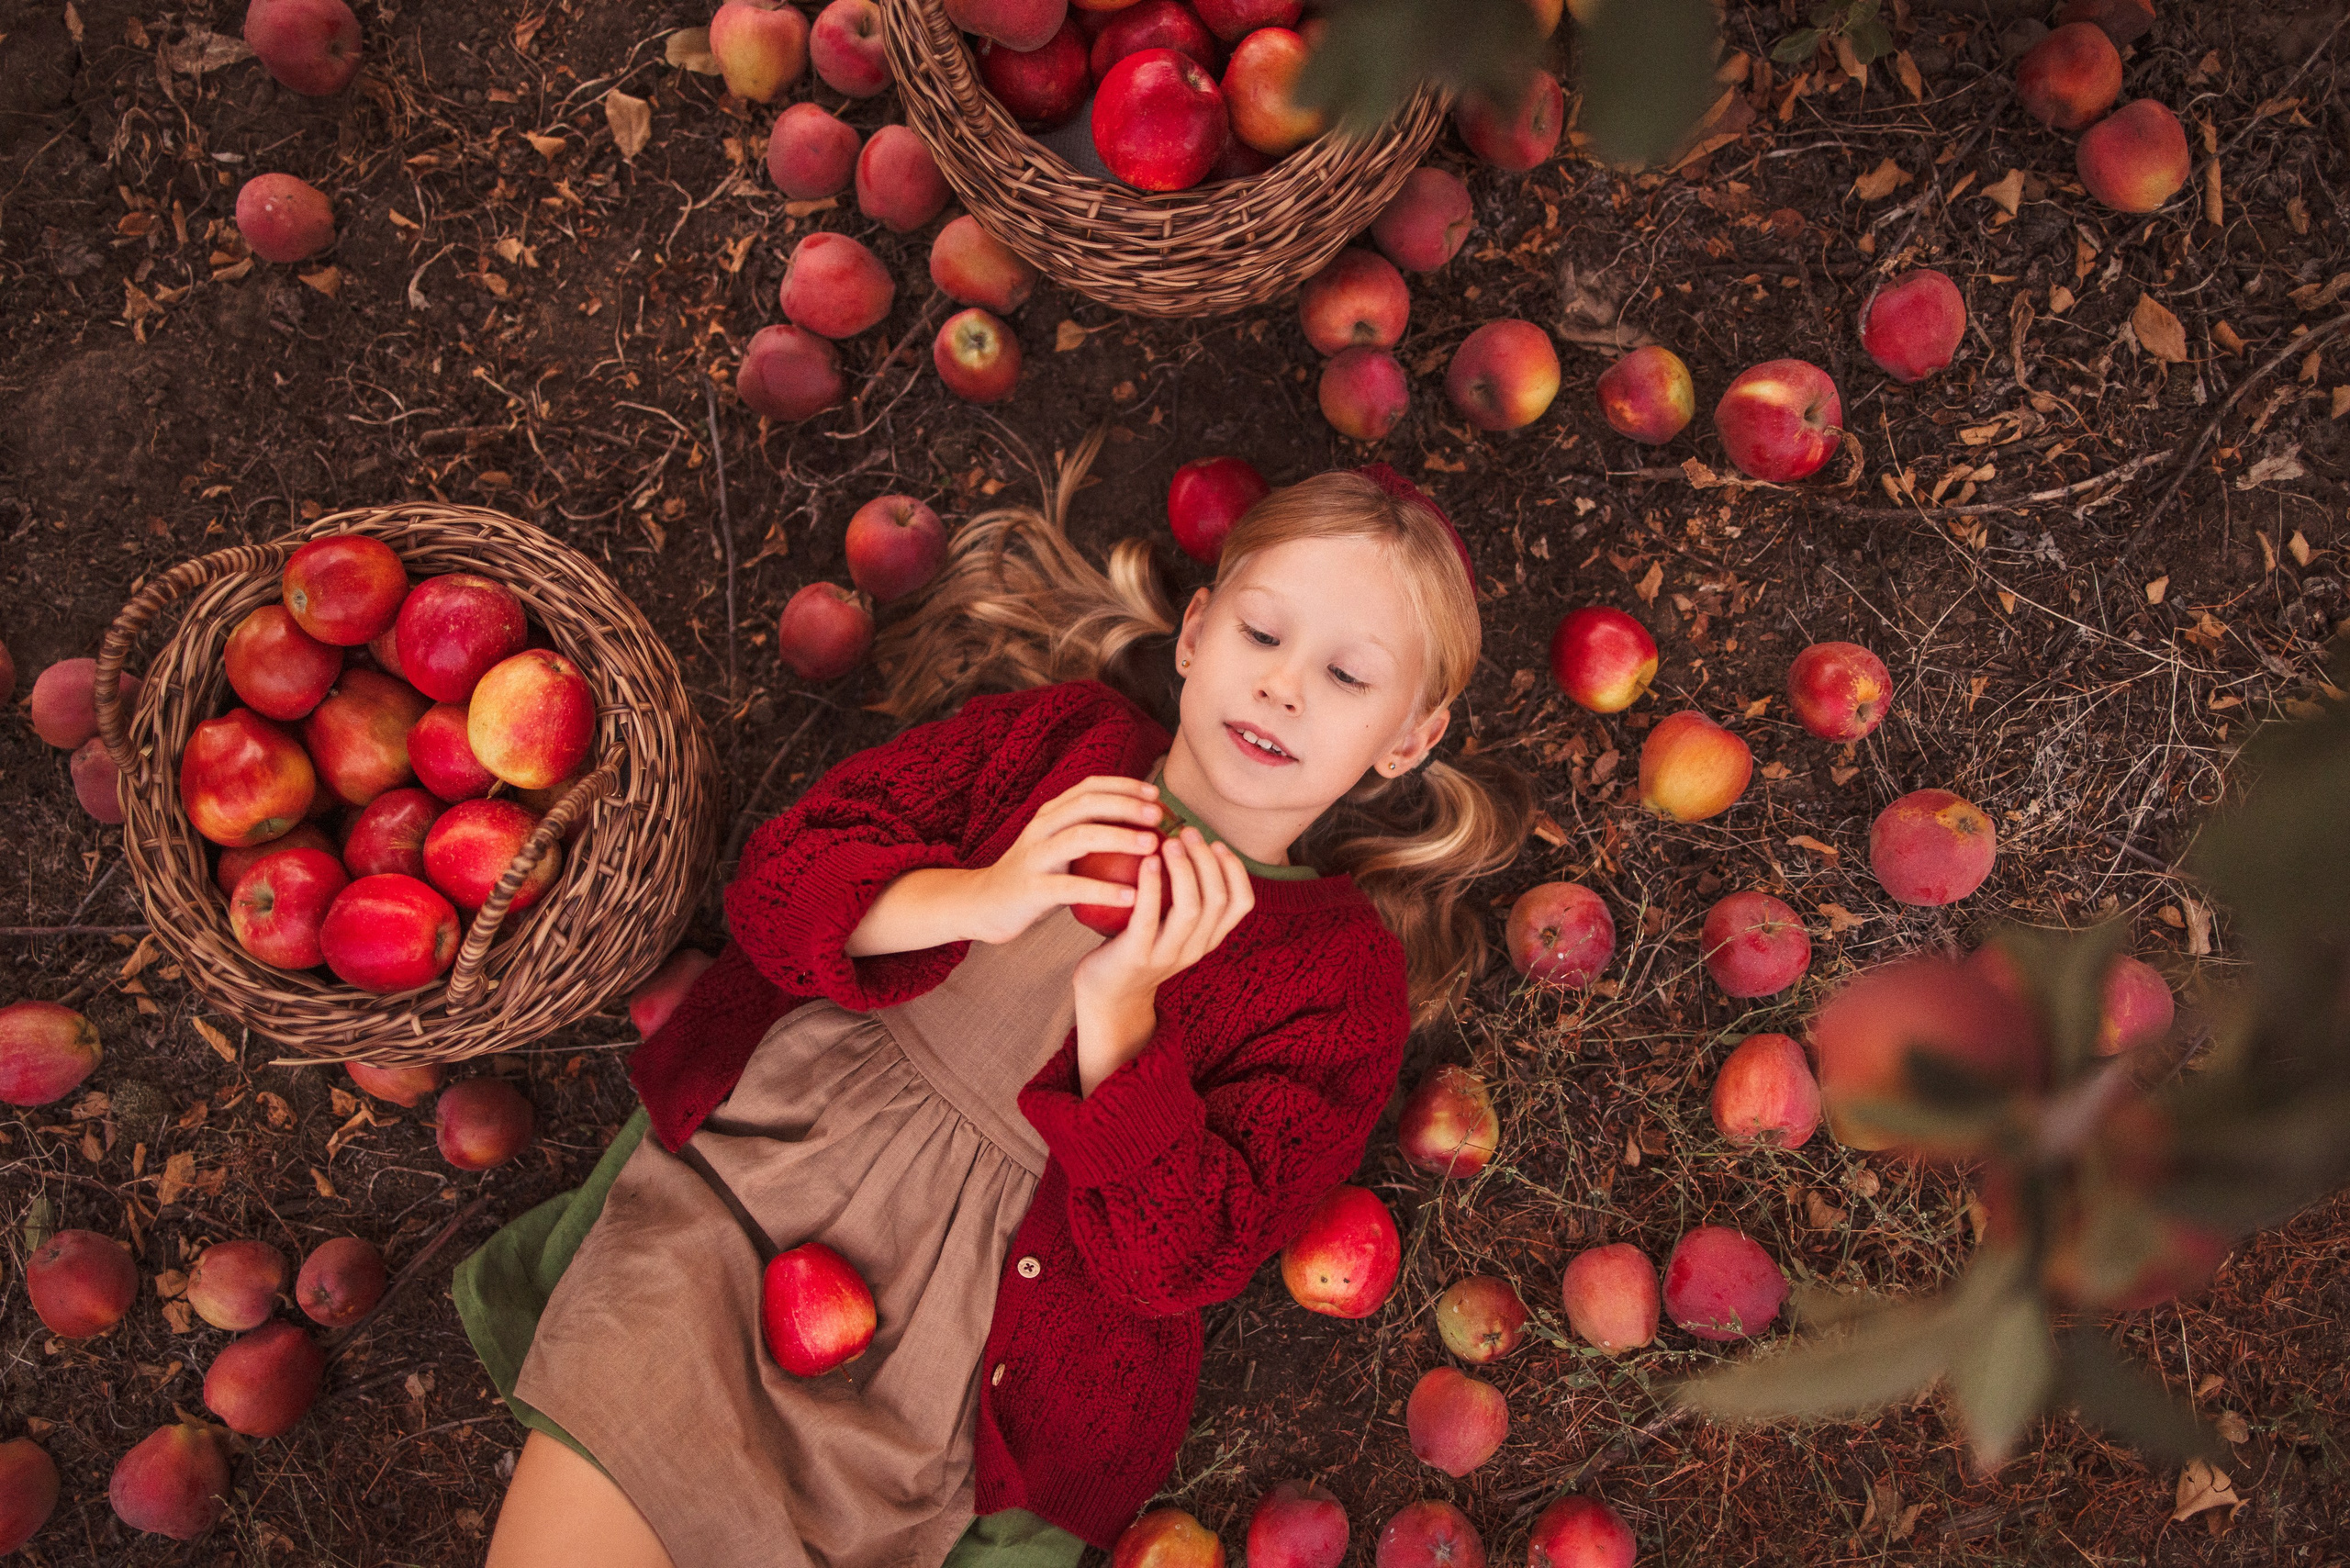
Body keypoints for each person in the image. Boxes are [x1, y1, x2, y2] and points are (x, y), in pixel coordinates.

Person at [455, 432, 1535, 1568]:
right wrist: (982, 891)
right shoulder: (1059, 744)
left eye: (1347, 677)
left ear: (1406, 739)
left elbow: (1184, 1261)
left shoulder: (1336, 982)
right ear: (1201, 629)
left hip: (964, 1372)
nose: (1282, 683)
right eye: (1264, 634)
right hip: (744, 1210)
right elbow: (779, 890)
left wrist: (1121, 1013)